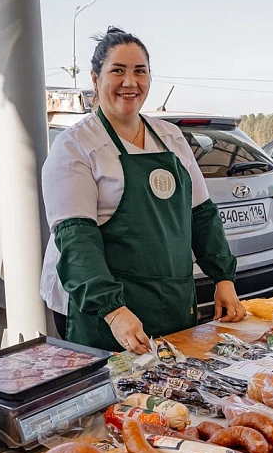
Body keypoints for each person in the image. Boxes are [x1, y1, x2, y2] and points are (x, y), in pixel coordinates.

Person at [40, 27, 245, 354]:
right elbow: (75, 238)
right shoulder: (75, 146)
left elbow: (202, 215)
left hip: (171, 299)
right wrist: (113, 310)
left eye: (140, 71)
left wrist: (223, 278)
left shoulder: (171, 137)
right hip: (102, 309)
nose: (130, 82)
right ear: (95, 79)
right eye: (117, 71)